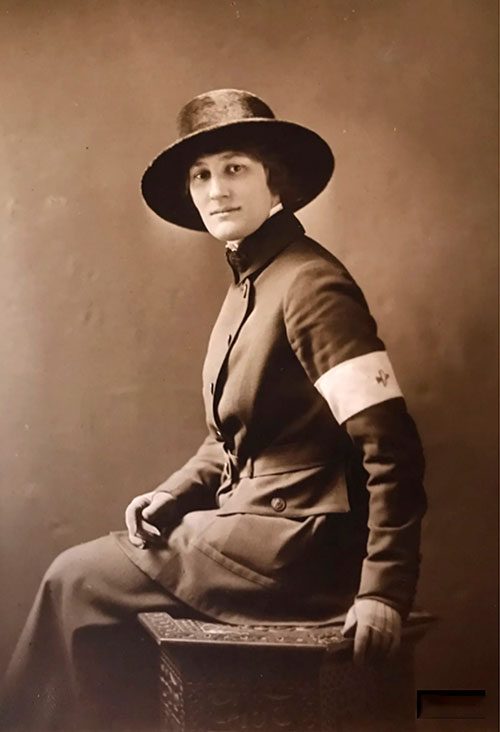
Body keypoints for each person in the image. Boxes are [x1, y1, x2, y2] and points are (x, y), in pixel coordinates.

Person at [0, 89, 426, 731]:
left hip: (299, 546)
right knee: (98, 604)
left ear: (274, 182)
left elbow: (389, 443)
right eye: (201, 175)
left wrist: (384, 589)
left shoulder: (311, 284)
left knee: (74, 580)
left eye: (234, 168)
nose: (215, 189)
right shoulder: (252, 281)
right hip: (251, 529)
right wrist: (171, 494)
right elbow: (230, 438)